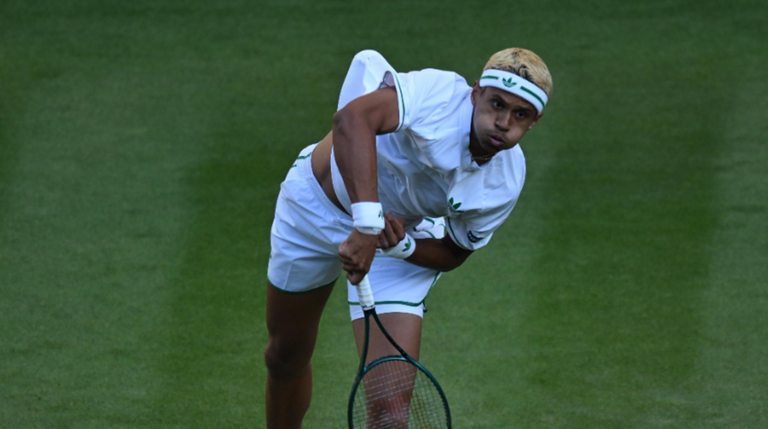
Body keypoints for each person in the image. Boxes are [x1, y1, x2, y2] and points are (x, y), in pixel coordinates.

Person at [265, 47, 552, 428]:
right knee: (285, 356)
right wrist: (367, 225)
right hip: (312, 210)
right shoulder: (438, 95)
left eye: (520, 114)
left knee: (390, 413)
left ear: (534, 122)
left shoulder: (505, 181)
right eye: (497, 104)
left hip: (394, 242)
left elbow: (454, 252)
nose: (503, 122)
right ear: (475, 93)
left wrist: (402, 246)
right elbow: (352, 118)